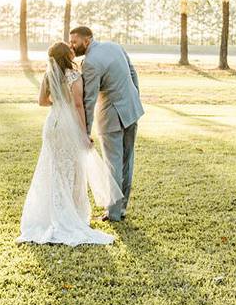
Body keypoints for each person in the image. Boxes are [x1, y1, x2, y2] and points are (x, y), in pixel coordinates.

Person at [16, 41, 122, 246]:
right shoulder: (74, 76)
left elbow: (42, 102)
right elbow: (77, 105)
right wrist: (84, 132)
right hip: (68, 126)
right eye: (71, 50)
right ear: (67, 55)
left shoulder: (49, 76)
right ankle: (70, 214)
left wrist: (57, 102)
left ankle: (47, 215)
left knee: (51, 168)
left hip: (52, 125)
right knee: (71, 170)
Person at [68, 26, 144, 222]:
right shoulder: (114, 46)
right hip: (132, 109)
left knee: (113, 164)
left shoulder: (90, 62)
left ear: (87, 41)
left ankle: (114, 212)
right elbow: (133, 73)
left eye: (74, 42)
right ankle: (122, 207)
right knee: (128, 160)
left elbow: (89, 100)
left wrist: (84, 132)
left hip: (112, 117)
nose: (71, 46)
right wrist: (134, 96)